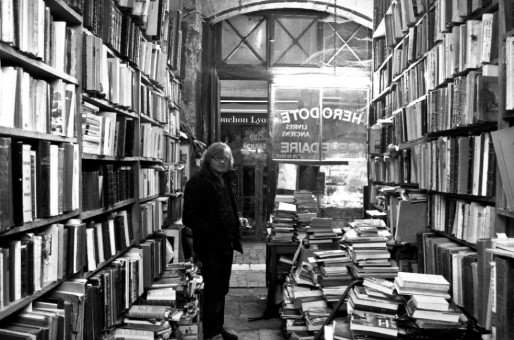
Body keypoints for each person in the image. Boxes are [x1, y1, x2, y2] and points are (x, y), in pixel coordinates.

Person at [182, 142, 243, 340]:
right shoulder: (197, 182)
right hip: (210, 247)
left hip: (226, 245)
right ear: (209, 160)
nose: (222, 161)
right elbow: (189, 217)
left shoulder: (225, 180)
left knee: (221, 289)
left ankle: (218, 328)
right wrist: (212, 232)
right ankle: (211, 334)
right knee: (213, 291)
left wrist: (236, 221)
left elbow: (225, 209)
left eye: (226, 158)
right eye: (218, 158)